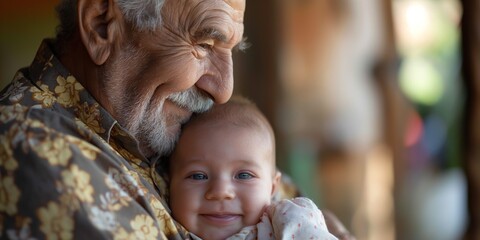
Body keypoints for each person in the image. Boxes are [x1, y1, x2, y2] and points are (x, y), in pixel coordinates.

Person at [0, 0, 354, 239]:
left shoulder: (162, 122)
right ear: (101, 25)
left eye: (230, 50)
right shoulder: (35, 152)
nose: (224, 89)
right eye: (204, 44)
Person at [168, 96, 337, 240]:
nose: (220, 192)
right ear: (169, 183)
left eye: (243, 175)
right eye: (198, 176)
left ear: (272, 187)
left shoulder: (289, 219)